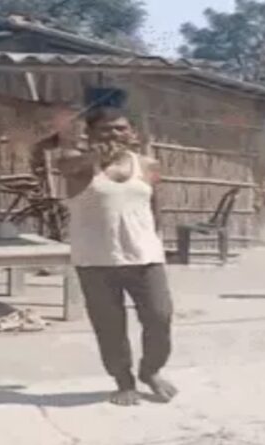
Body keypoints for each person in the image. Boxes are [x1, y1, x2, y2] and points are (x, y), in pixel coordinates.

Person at [57, 107, 177, 406]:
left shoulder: (147, 165)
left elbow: (155, 209)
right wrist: (93, 157)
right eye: (106, 129)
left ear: (132, 133)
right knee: (109, 326)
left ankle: (150, 370)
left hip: (145, 257)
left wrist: (153, 243)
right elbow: (66, 167)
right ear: (90, 133)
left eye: (121, 128)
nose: (114, 134)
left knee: (160, 316)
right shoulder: (77, 164)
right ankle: (123, 381)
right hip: (95, 259)